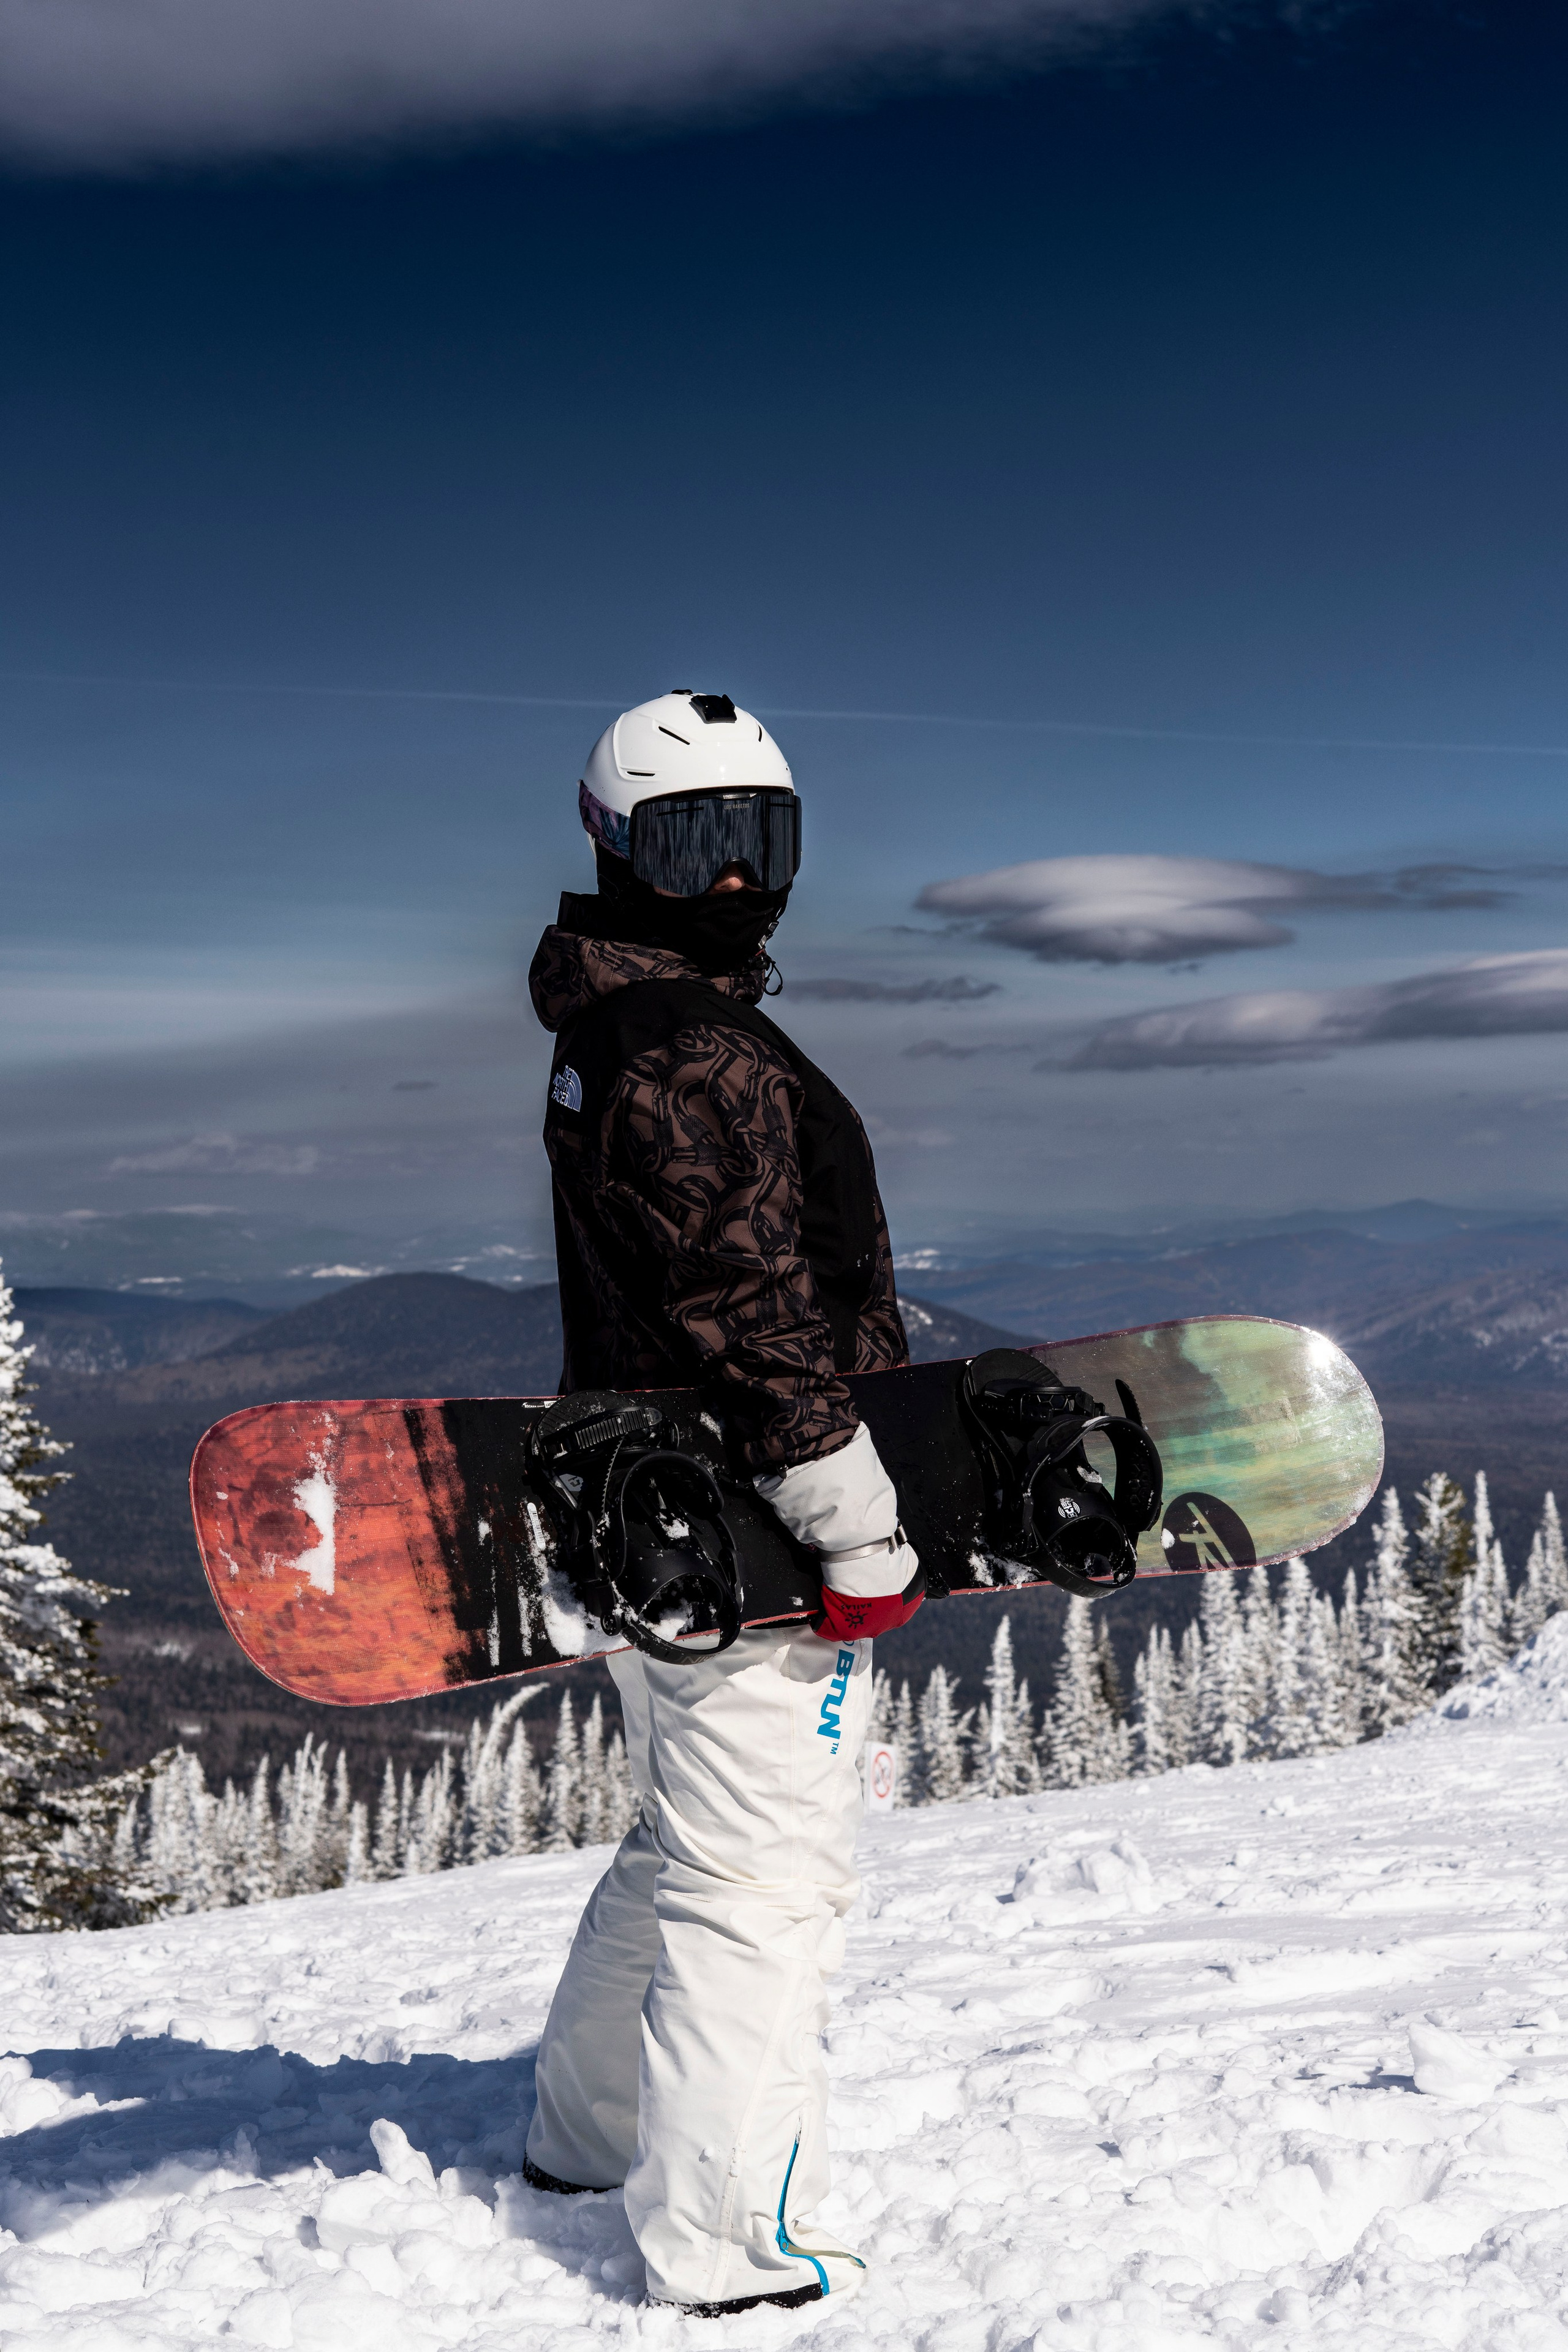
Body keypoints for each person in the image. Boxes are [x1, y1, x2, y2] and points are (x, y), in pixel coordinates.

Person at [521, 689, 924, 2316]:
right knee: (766, 1886)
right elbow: (750, 1314)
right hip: (747, 1530)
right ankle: (730, 2251)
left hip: (647, 1515)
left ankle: (583, 2133)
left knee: (681, 1845)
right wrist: (855, 1521)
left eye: (761, 840)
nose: (738, 882)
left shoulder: (616, 1024)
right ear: (620, 846)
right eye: (698, 845)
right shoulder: (695, 1050)